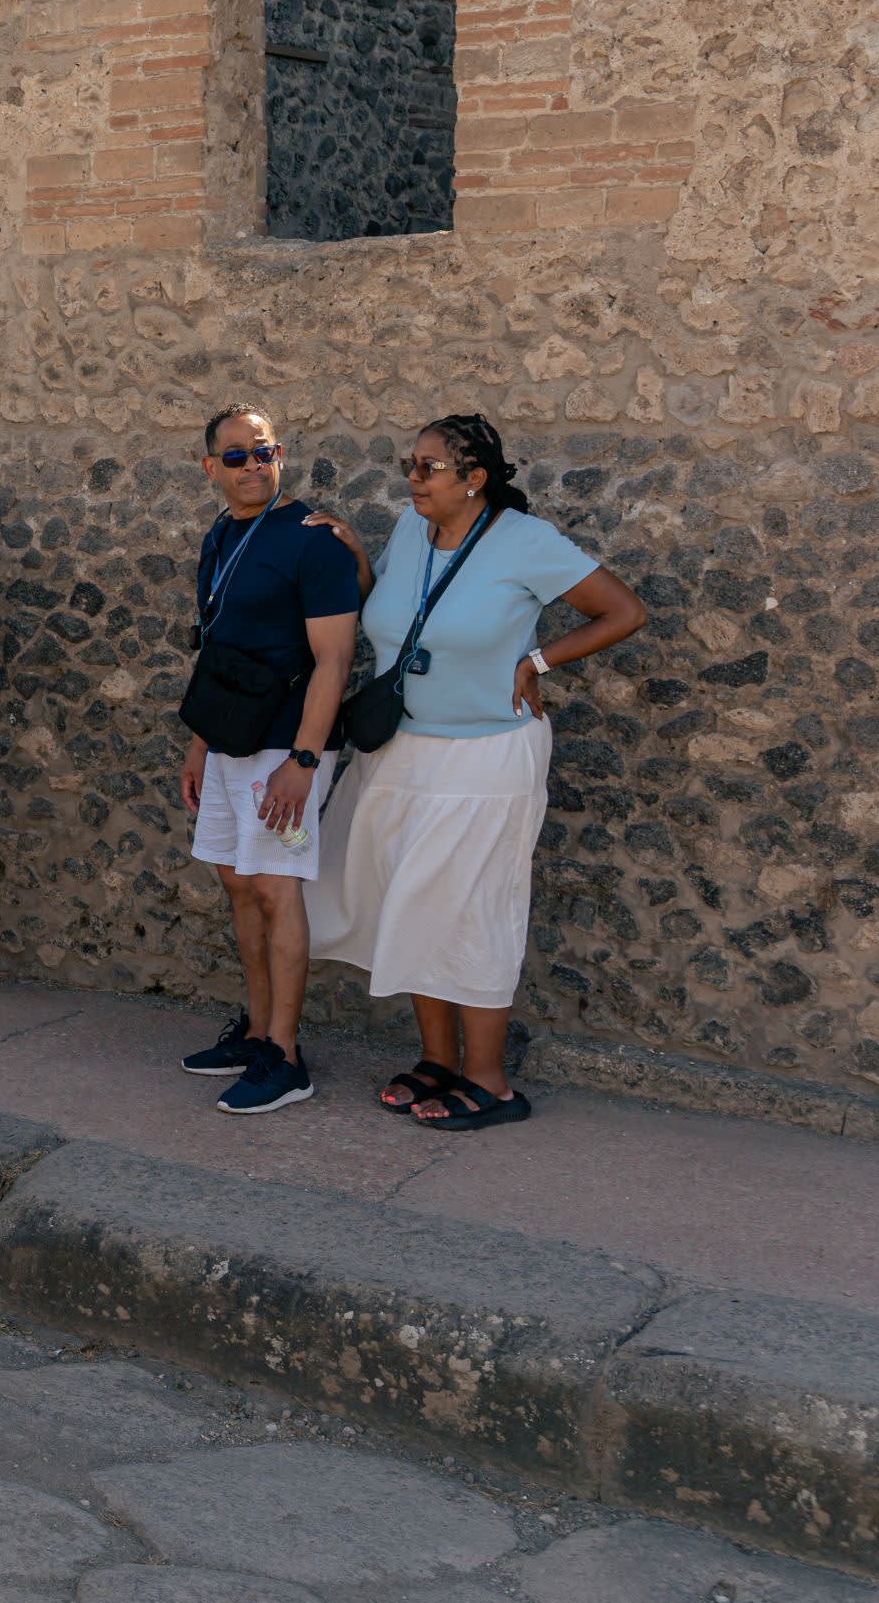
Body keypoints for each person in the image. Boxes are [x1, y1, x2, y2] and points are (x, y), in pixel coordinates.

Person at [308, 413, 647, 1131]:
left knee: (475, 908)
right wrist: (359, 562)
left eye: (429, 467)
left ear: (474, 479)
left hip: (487, 756)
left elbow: (622, 611)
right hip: (401, 750)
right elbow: (394, 612)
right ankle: (437, 1059)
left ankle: (489, 1081)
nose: (413, 478)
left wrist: (538, 661)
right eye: (410, 464)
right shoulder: (412, 529)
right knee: (411, 901)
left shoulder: (526, 541)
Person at [172, 407, 373, 1115]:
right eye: (236, 456)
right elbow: (216, 651)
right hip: (229, 738)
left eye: (264, 451)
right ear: (210, 469)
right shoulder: (219, 536)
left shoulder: (313, 540)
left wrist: (305, 760)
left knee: (275, 886)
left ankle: (285, 1058)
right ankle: (257, 1032)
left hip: (287, 744)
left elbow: (335, 658)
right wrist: (199, 744)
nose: (253, 466)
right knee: (238, 882)